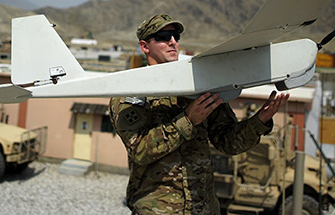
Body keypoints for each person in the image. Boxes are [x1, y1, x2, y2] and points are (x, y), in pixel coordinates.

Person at [109, 13, 290, 214]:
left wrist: (259, 121)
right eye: (163, 36)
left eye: (176, 36)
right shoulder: (130, 94)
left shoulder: (199, 87)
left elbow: (227, 142)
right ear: (145, 46)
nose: (173, 42)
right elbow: (140, 151)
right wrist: (187, 120)